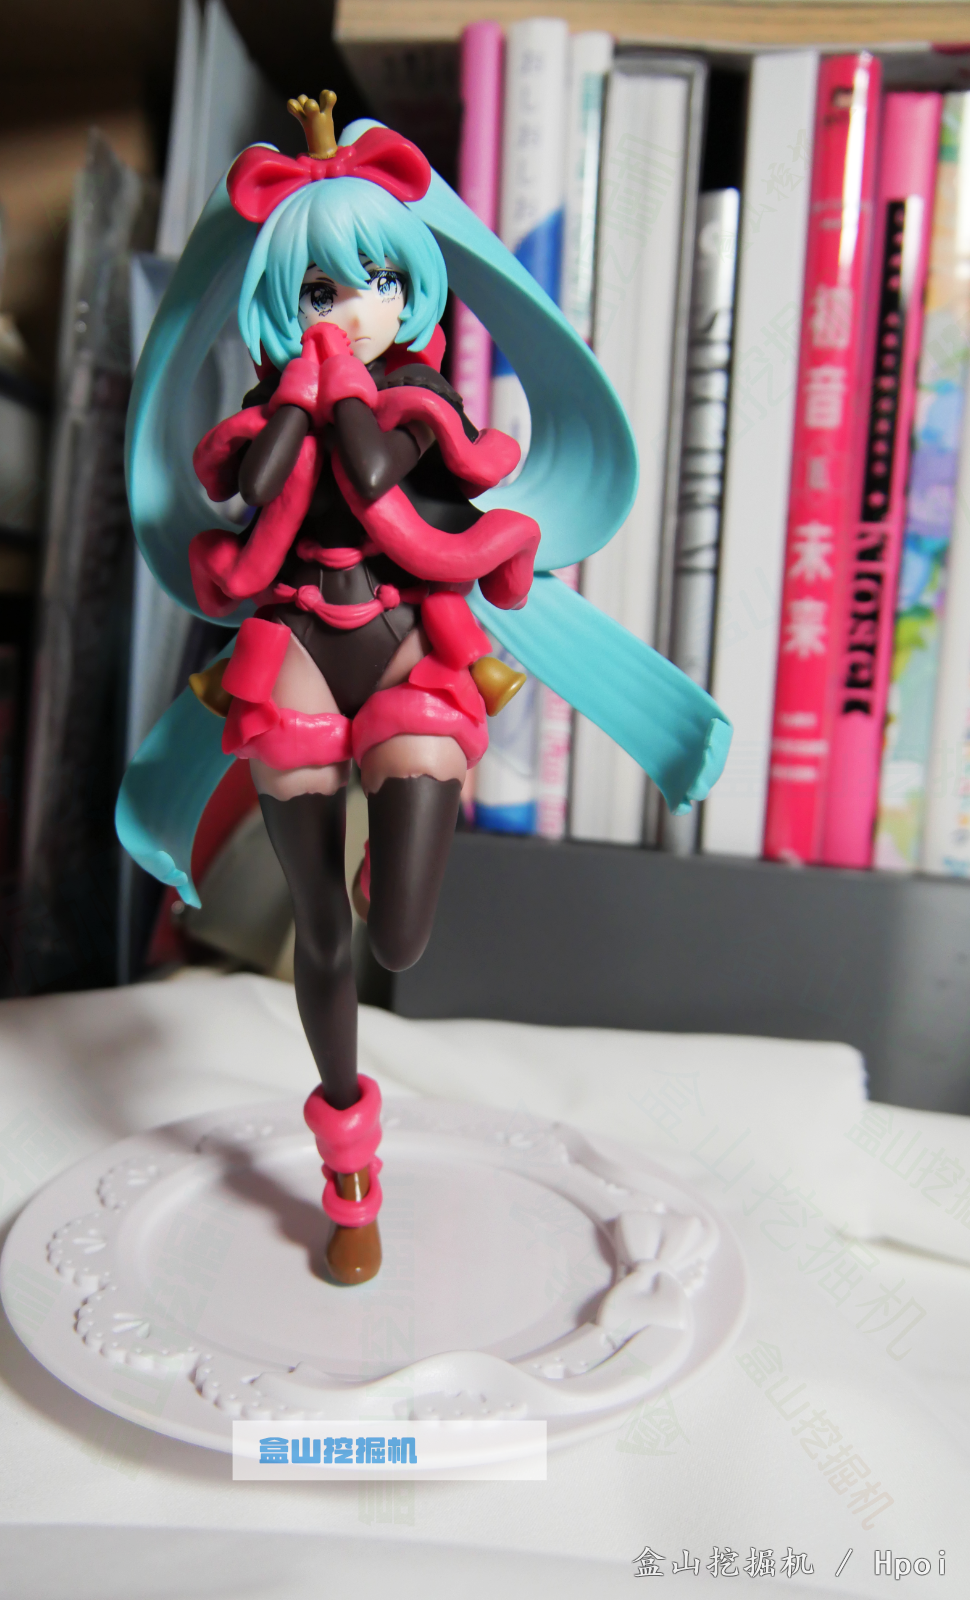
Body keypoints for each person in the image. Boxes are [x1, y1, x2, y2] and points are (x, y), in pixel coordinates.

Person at [119, 93, 732, 1285]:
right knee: (321, 934)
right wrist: (294, 397)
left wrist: (332, 384)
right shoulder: (261, 415)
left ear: (412, 289)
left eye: (381, 281)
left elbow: (368, 468)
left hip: (403, 642)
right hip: (298, 643)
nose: (355, 306)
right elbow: (262, 492)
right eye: (320, 290)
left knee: (398, 931)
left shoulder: (422, 399)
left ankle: (386, 859)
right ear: (276, 302)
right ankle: (350, 1174)